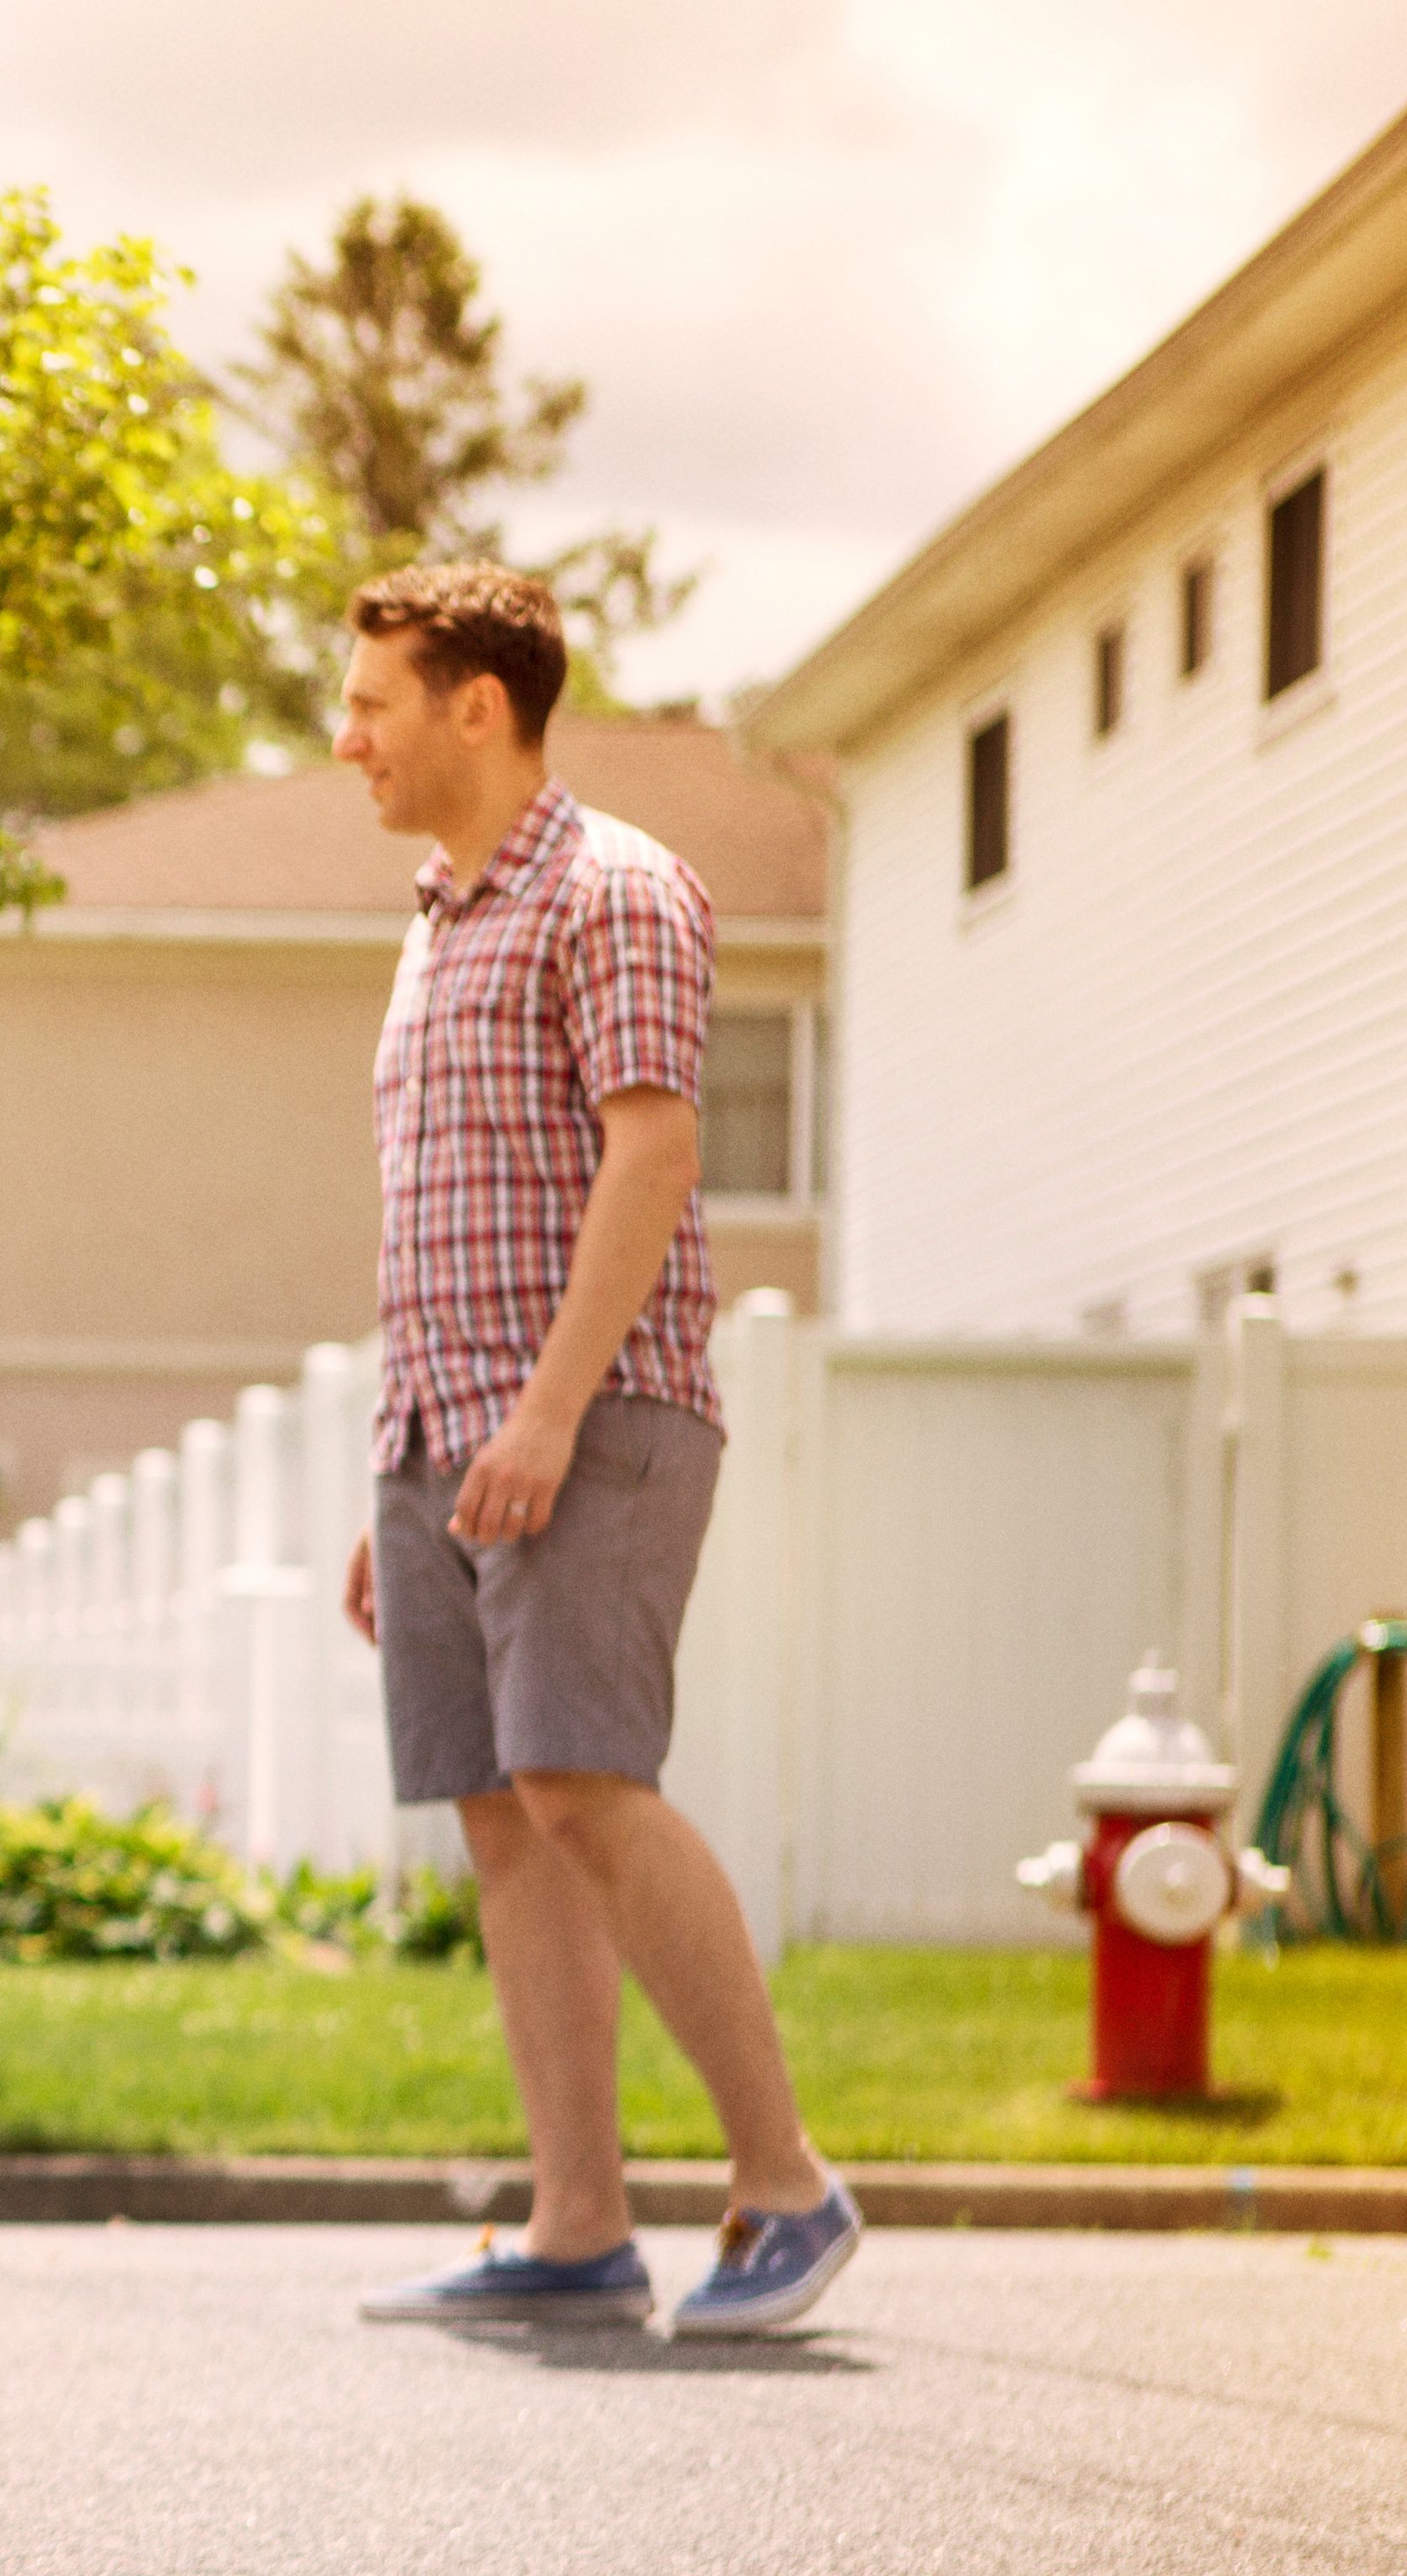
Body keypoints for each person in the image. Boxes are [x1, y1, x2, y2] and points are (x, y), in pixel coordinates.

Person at [329, 563, 861, 2337]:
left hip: (592, 1413)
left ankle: (789, 2184)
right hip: (448, 1430)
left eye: (373, 704)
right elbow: (444, 1205)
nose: (349, 740)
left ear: (477, 704)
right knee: (502, 1817)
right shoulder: (434, 921)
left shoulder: (614, 889)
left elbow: (652, 1157)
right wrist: (402, 1459)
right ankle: (578, 2227)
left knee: (581, 1783)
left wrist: (548, 1411)